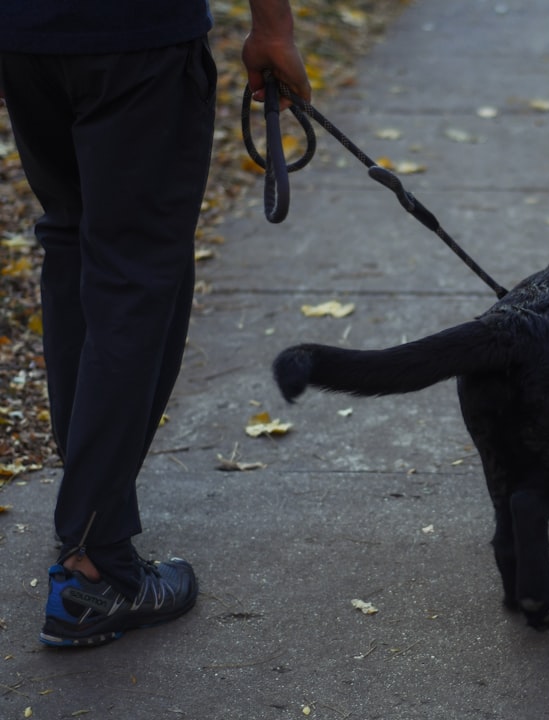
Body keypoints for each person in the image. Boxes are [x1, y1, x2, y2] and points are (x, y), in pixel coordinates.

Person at [0, 1, 311, 647]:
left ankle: (87, 518)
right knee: (134, 273)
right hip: (135, 36)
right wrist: (273, 26)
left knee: (75, 245)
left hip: (27, 34)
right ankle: (95, 568)